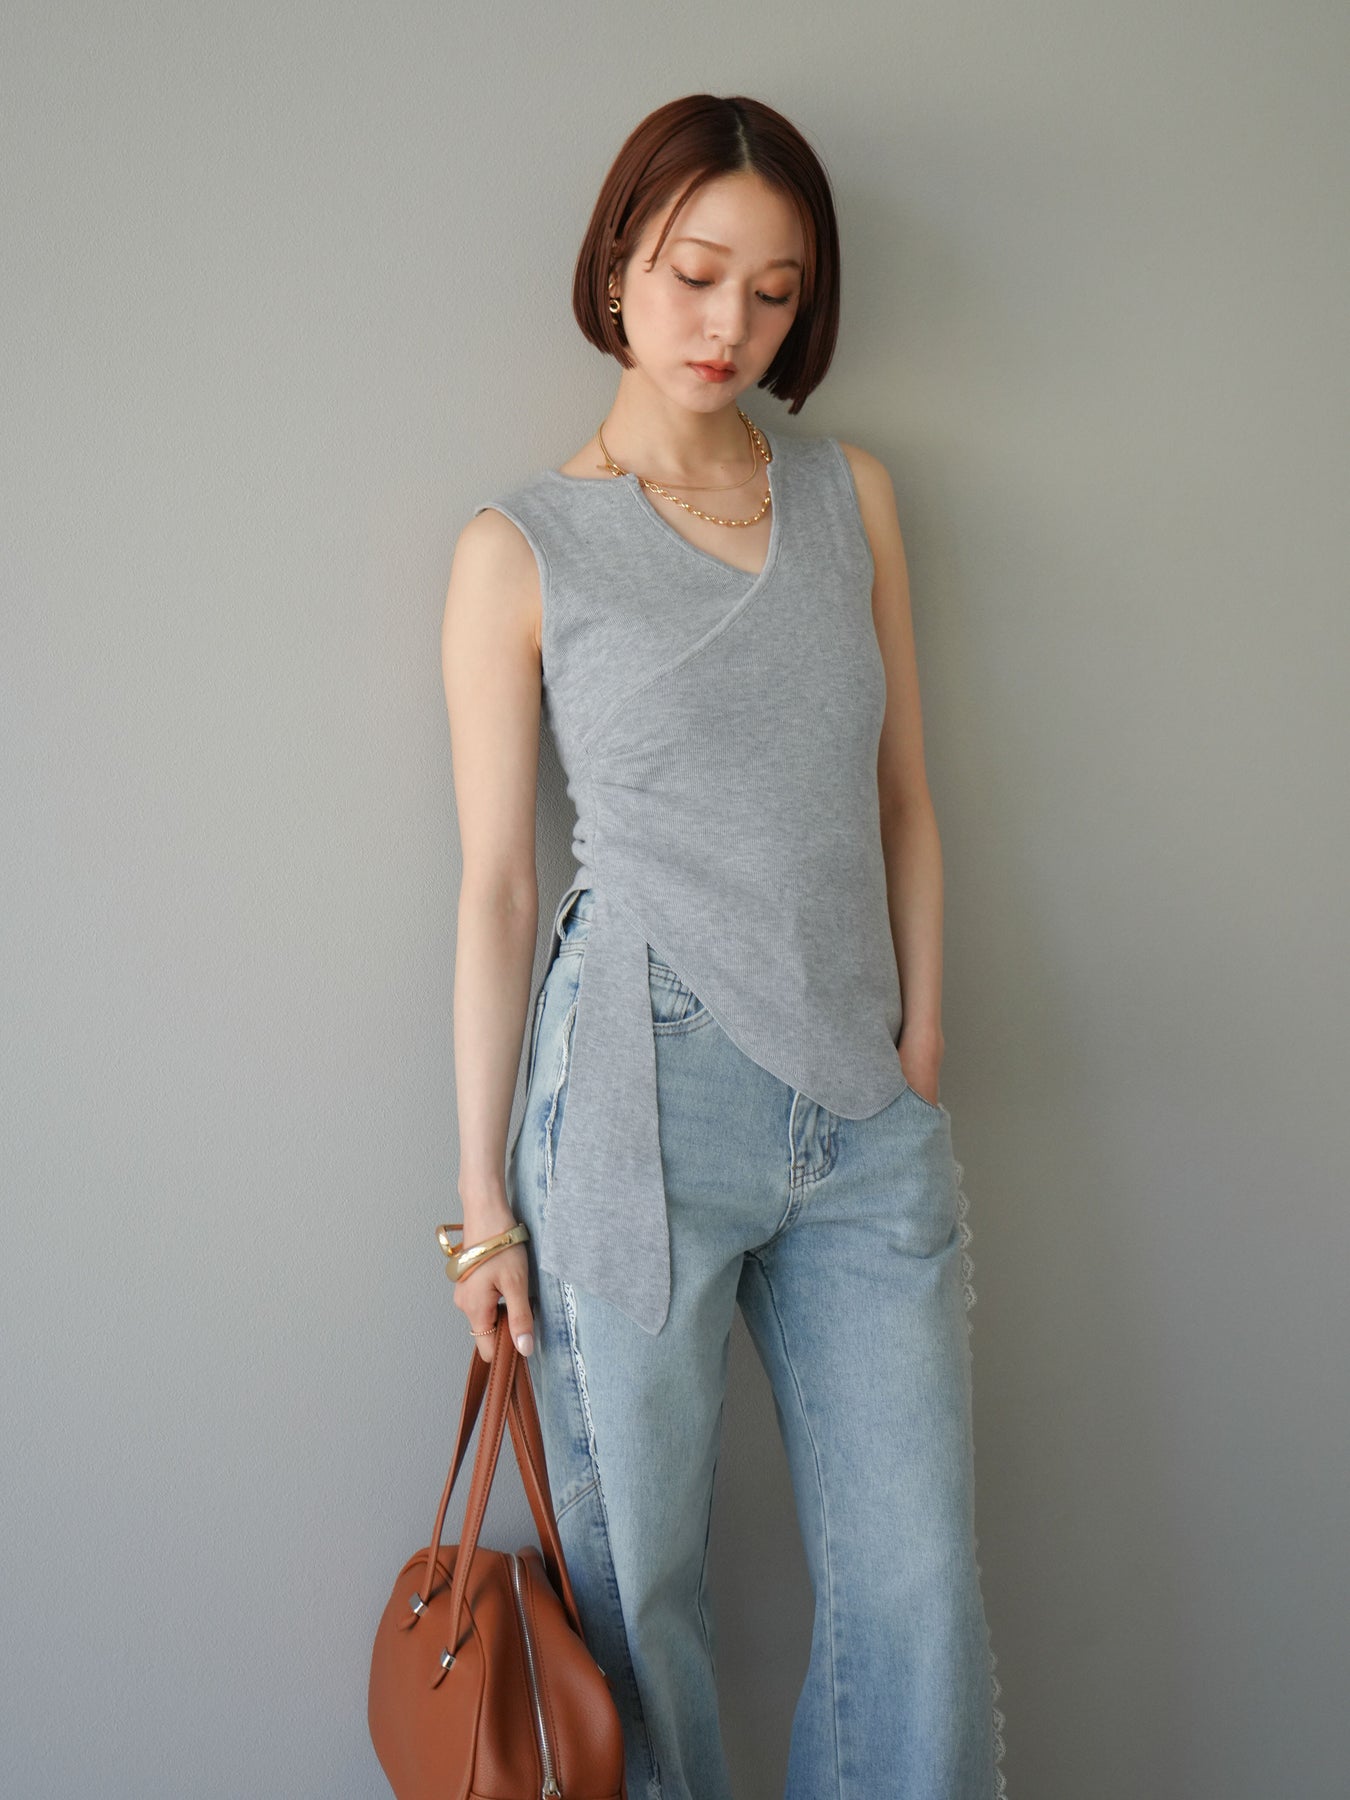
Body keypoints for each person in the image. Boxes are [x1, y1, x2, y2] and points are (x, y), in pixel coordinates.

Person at [439, 92, 1008, 1800]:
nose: (727, 326)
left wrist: (916, 1050)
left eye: (772, 293)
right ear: (620, 261)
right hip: (635, 1093)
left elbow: (905, 798)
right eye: (695, 274)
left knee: (915, 1589)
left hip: (863, 1107)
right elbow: (495, 885)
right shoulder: (519, 550)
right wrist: (479, 1209)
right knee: (643, 1593)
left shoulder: (848, 495)